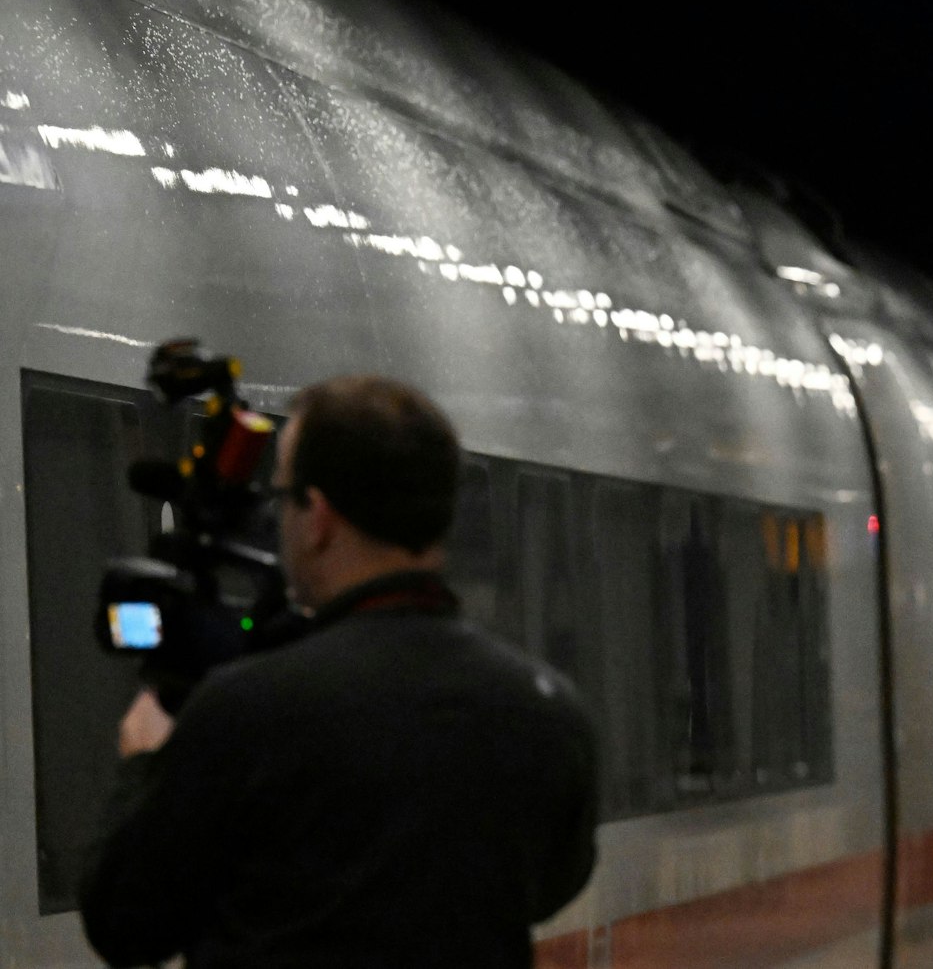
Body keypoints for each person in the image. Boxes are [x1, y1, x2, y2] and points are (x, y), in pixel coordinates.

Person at [79, 375, 599, 968]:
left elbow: (125, 926)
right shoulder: (549, 711)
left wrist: (145, 760)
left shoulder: (247, 711)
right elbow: (550, 885)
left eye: (283, 498)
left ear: (319, 517)